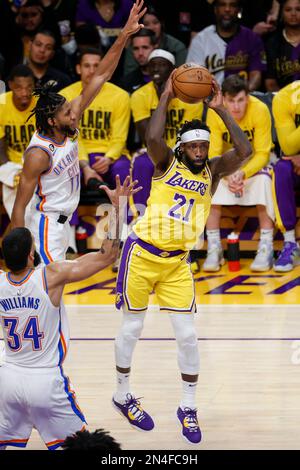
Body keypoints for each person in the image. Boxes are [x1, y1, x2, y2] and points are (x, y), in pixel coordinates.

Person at [113, 76, 252, 444]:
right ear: (182, 148)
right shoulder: (164, 163)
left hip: (176, 263)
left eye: (205, 145)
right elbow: (152, 139)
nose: (201, 150)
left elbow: (245, 150)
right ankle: (122, 393)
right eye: (194, 145)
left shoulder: (214, 171)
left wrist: (220, 109)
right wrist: (166, 98)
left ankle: (188, 406)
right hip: (141, 253)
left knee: (188, 336)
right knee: (131, 329)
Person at [0, 176, 140, 450]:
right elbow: (107, 255)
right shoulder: (50, 276)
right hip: (44, 380)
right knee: (87, 449)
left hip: (7, 380)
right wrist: (120, 205)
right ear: (32, 256)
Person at [10, 0, 147, 265]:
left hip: (60, 225)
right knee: (51, 291)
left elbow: (102, 75)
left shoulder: (68, 122)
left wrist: (124, 35)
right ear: (51, 121)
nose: (75, 114)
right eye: (67, 114)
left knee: (57, 297)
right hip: (44, 226)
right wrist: (22, 250)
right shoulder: (39, 154)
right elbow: (19, 206)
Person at [204, 75, 274, 272]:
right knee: (209, 179)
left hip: (253, 167)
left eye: (241, 100)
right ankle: (214, 247)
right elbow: (214, 153)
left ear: (248, 98)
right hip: (228, 168)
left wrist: (243, 173)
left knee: (265, 181)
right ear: (224, 99)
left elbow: (263, 153)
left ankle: (266, 246)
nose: (236, 107)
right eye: (231, 101)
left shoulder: (259, 109)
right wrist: (227, 174)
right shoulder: (215, 112)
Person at [130, 49, 204, 216]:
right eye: (152, 65)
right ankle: (140, 217)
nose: (156, 69)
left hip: (183, 151)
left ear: (173, 71)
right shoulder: (139, 96)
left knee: (185, 165)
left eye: (162, 65)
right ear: (147, 69)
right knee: (142, 163)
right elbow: (147, 138)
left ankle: (180, 218)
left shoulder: (190, 98)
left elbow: (188, 136)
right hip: (155, 150)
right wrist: (164, 98)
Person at [60, 48, 131, 193]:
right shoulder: (65, 95)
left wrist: (109, 158)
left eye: (97, 66)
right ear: (78, 68)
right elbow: (70, 137)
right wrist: (85, 165)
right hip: (76, 155)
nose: (92, 71)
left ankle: (128, 216)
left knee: (123, 170)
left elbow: (120, 136)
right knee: (64, 171)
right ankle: (66, 217)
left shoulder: (120, 96)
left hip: (111, 156)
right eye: (87, 66)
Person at [187, 0, 266, 91]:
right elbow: (193, 77)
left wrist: (242, 94)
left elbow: (256, 75)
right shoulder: (200, 40)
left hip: (242, 99)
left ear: (239, 10)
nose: (227, 9)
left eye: (232, 5)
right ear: (215, 9)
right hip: (209, 99)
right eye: (222, 5)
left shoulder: (252, 38)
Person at [0, 65, 36, 218]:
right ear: (11, 86)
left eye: (29, 88)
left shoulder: (41, 105)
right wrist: (11, 171)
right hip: (9, 164)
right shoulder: (1, 103)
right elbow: (0, 147)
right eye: (19, 88)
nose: (25, 93)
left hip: (36, 164)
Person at [272, 80, 300, 272]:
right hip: (295, 163)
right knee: (281, 169)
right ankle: (290, 243)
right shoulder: (284, 96)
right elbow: (288, 146)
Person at [123, 4, 187, 76]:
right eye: (146, 24)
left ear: (161, 24)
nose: (151, 27)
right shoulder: (134, 45)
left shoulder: (176, 47)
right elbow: (129, 76)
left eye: (155, 23)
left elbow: (181, 76)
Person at [265, 0, 300, 91]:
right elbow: (270, 82)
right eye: (288, 10)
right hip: (283, 100)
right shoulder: (272, 43)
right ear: (281, 13)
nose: (293, 13)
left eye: (298, 9)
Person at [118, 28, 156, 93]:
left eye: (145, 47)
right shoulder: (126, 82)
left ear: (155, 47)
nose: (140, 53)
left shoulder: (169, 79)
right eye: (136, 48)